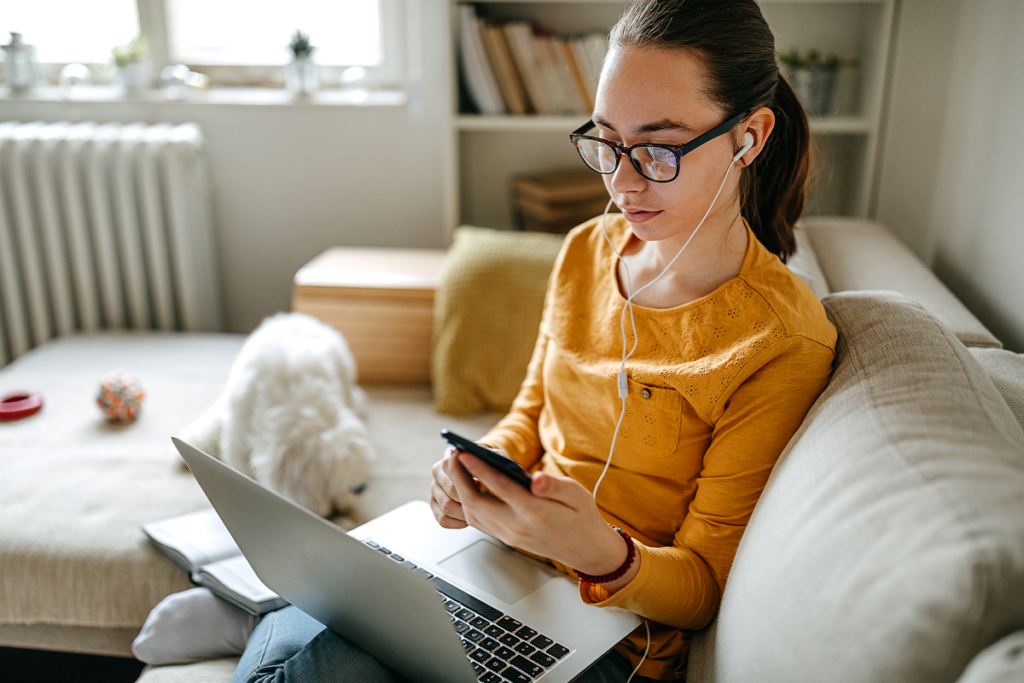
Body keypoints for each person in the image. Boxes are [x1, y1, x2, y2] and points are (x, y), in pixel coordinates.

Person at [233, 0, 836, 681]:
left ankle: (255, 622)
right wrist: (478, 467)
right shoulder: (586, 250)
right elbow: (530, 414)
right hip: (498, 562)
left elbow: (701, 588)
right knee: (326, 589)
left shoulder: (778, 339)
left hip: (614, 636)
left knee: (307, 659)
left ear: (749, 136)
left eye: (658, 149)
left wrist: (605, 552)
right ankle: (267, 617)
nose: (622, 181)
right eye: (607, 142)